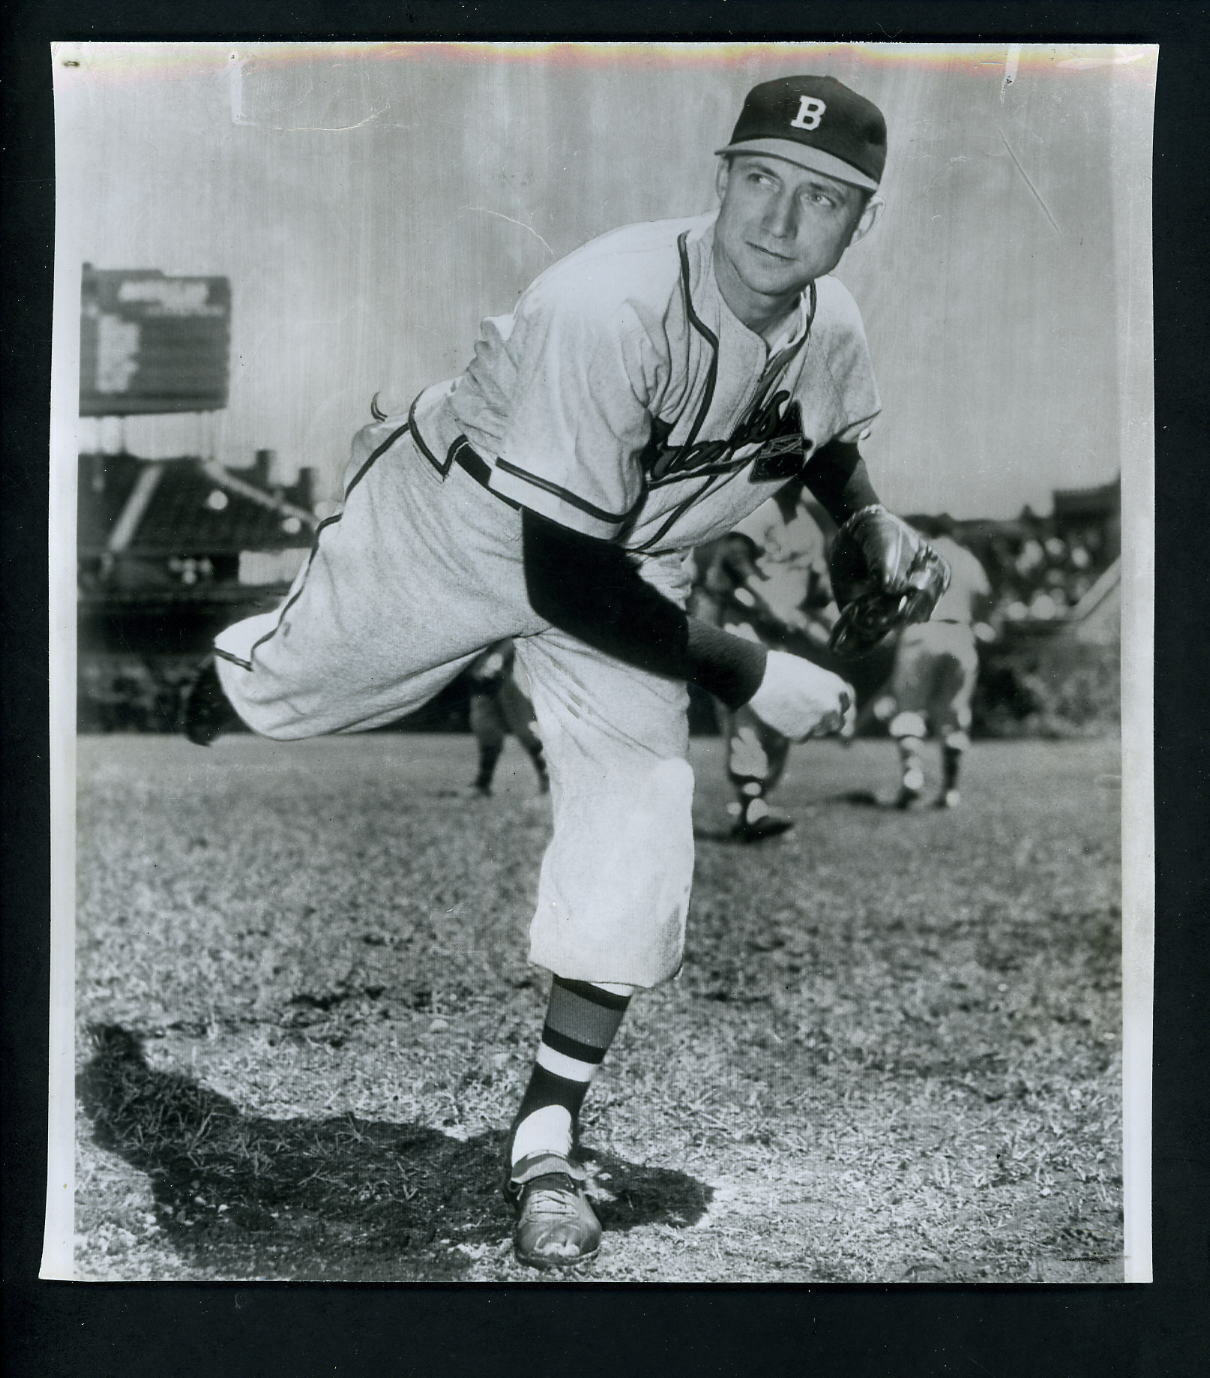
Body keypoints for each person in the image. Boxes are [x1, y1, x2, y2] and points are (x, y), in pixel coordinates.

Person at [184, 74, 949, 1269]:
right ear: (721, 178)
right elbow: (557, 577)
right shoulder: (607, 302)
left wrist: (867, 520)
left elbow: (821, 442)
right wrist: (751, 668)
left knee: (642, 829)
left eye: (820, 199)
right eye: (759, 180)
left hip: (626, 563)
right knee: (287, 698)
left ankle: (546, 1134)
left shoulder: (829, 318)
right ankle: (221, 688)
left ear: (861, 220)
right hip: (465, 522)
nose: (779, 221)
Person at [702, 478, 846, 841]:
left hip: (780, 635)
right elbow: (735, 556)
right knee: (750, 708)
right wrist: (770, 601)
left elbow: (819, 593)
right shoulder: (759, 506)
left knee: (783, 712)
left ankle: (755, 808)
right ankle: (751, 803)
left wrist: (845, 627)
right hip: (741, 622)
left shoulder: (808, 524)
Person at [884, 518, 993, 809]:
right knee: (955, 713)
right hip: (960, 633)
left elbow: (893, 590)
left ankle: (912, 776)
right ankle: (950, 790)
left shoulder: (918, 553)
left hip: (922, 629)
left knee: (909, 707)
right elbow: (984, 598)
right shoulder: (968, 559)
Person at [465, 639, 549, 797]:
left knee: (526, 731)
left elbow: (514, 633)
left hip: (508, 677)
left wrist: (500, 654)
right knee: (486, 731)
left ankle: (548, 780)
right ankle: (483, 784)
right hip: (481, 680)